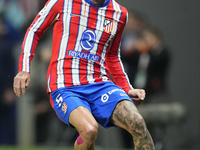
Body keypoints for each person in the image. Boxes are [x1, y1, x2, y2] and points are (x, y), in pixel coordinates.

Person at [13, 0, 155, 149]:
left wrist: (127, 88)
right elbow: (34, 30)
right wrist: (24, 69)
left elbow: (112, 55)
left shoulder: (119, 13)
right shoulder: (62, 2)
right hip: (65, 86)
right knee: (89, 130)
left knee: (137, 123)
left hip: (100, 85)